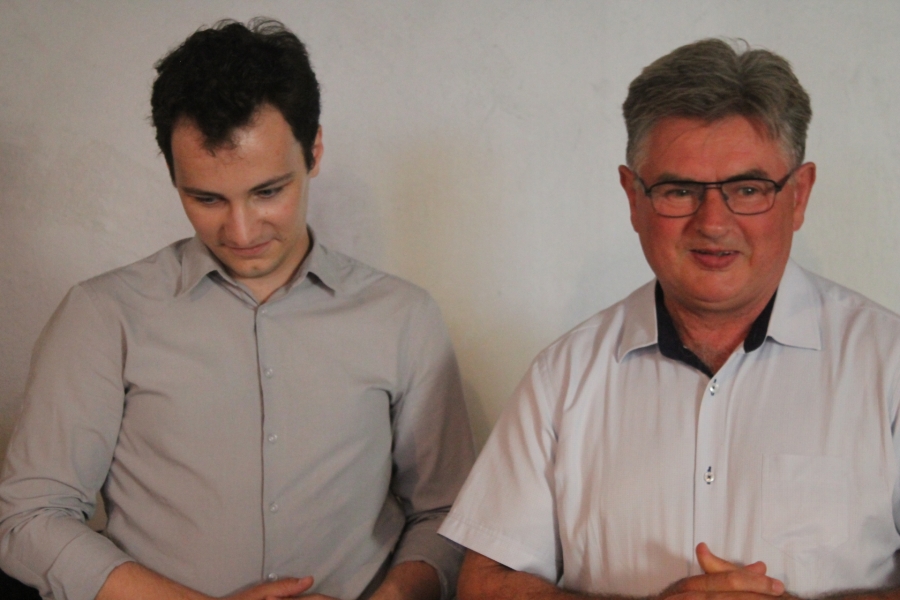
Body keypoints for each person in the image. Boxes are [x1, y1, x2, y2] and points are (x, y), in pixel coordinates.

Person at [0, 18, 474, 600]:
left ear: (314, 150)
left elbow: (448, 514)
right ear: (172, 173)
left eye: (268, 192)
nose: (242, 231)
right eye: (206, 198)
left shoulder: (404, 318)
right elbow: (29, 518)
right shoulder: (103, 316)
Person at [439, 38, 900, 600]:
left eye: (747, 189)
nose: (713, 222)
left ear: (798, 195)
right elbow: (485, 585)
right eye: (679, 190)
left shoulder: (889, 365)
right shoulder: (562, 376)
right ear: (633, 197)